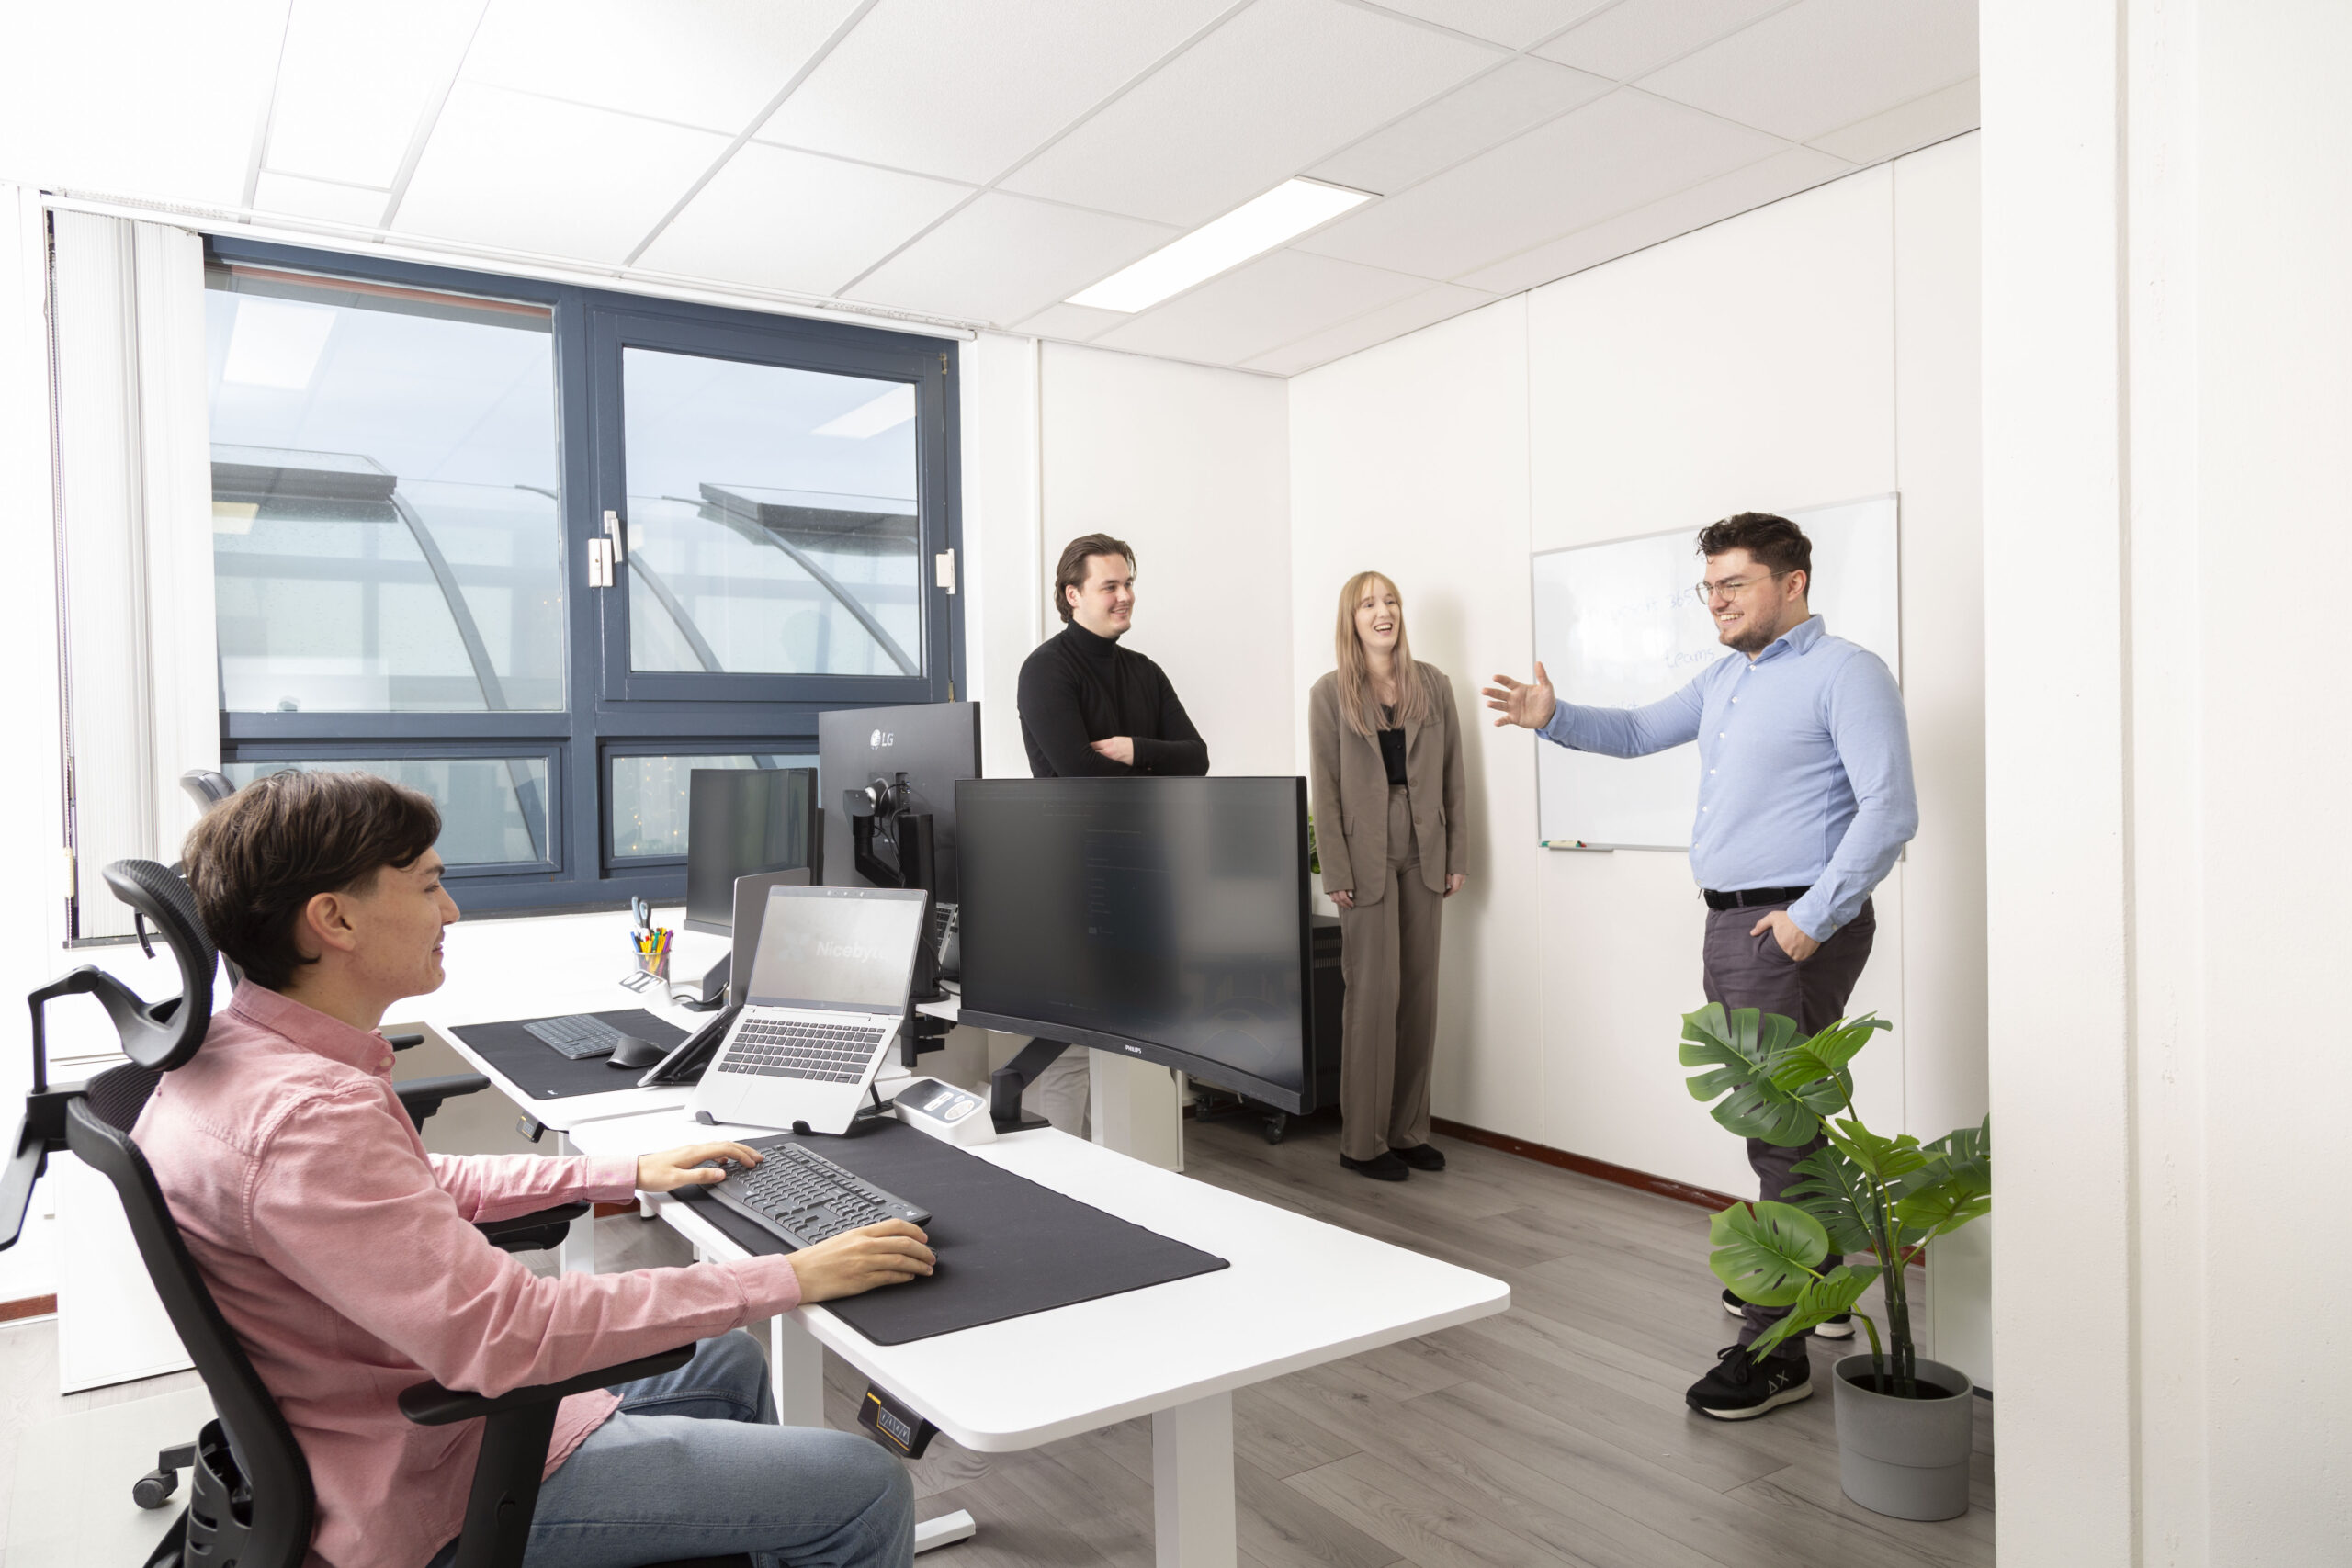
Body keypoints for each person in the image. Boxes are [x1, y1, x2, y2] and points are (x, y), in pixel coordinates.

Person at [138, 770, 933, 1568]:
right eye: (429, 886)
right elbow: (513, 1333)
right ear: (334, 918)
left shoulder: (237, 1055)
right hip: (430, 1483)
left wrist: (620, 1172)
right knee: (863, 1484)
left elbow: (415, 1190)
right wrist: (789, 1274)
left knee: (728, 1362)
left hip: (374, 1421)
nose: (451, 911)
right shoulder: (311, 1118)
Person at [1482, 512, 1917, 1421]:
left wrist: (1809, 920)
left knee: (1775, 1131)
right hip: (1736, 924)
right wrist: (1552, 717)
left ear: (1792, 583)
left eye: (1733, 584)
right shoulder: (1728, 678)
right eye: (1707, 588)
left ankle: (1775, 1349)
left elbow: (1888, 809)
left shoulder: (1847, 673)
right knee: (1786, 1119)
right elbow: (1640, 731)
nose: (1715, 602)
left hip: (1789, 925)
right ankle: (1819, 1279)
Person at [1013, 533, 1210, 1131]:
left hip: (1144, 878)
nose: (1125, 596)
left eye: (1128, 584)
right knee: (1070, 1051)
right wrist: (1154, 770)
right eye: (1110, 586)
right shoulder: (1045, 670)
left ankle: (1130, 1177)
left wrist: (1132, 749)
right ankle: (1057, 1177)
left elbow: (1197, 757)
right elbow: (1079, 773)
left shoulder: (1145, 671)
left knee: (1141, 1046)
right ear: (1073, 595)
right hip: (1074, 882)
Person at [1307, 572, 1466, 1182]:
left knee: (1420, 994)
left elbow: (1453, 774)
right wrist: (1335, 867)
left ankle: (1407, 1132)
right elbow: (1325, 786)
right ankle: (1363, 1143)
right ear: (1352, 618)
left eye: (1391, 601)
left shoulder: (1433, 684)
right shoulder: (1330, 693)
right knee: (1373, 995)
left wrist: (1456, 853)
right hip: (1364, 851)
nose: (1384, 612)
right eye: (1370, 604)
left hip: (1426, 844)